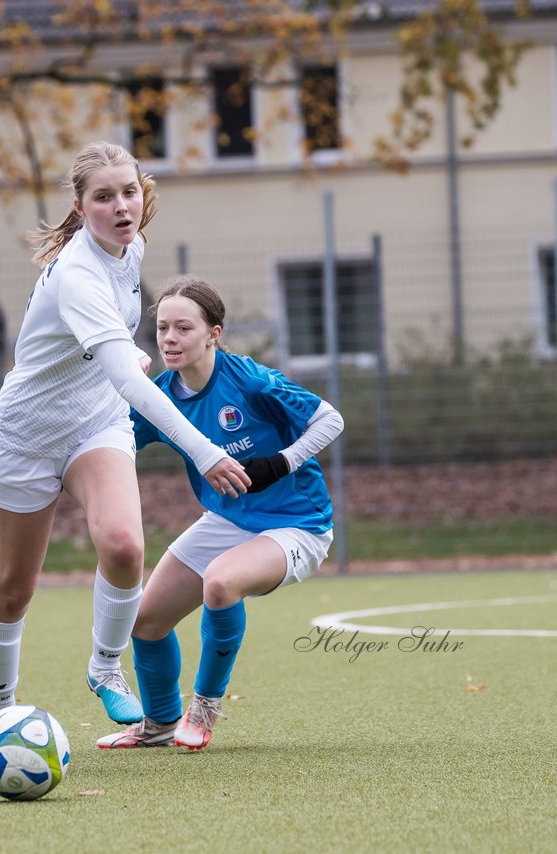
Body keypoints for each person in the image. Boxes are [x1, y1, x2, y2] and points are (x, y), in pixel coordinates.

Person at [0, 142, 251, 727]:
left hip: (94, 425)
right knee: (12, 589)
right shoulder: (77, 273)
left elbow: (120, 366)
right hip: (25, 436)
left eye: (129, 191)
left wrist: (129, 361)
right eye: (104, 197)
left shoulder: (132, 247)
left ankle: (104, 667)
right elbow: (127, 373)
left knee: (125, 546)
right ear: (81, 207)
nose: (122, 206)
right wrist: (203, 451)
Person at [96, 275, 343, 751]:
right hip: (228, 521)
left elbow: (329, 419)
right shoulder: (158, 396)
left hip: (298, 525)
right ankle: (159, 723)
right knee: (145, 621)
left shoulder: (250, 380)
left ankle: (204, 709)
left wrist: (281, 461)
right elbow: (111, 440)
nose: (169, 338)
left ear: (214, 333)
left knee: (221, 581)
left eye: (184, 328)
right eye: (163, 328)